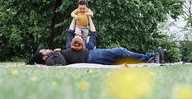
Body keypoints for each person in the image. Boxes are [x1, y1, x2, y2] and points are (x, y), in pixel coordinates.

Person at [27, 16, 166, 65]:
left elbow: (71, 32)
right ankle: (151, 57)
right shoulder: (52, 59)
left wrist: (75, 19)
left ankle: (152, 58)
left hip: (91, 54)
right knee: (120, 51)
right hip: (89, 58)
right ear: (44, 56)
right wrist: (55, 53)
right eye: (45, 50)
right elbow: (61, 64)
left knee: (121, 55)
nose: (48, 49)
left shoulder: (68, 46)